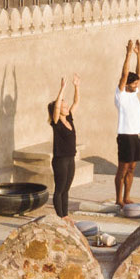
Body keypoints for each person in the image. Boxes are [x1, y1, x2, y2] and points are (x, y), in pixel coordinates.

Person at [114, 39, 140, 209]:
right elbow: (124, 74)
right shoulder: (121, 94)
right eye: (134, 83)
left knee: (132, 167)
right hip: (125, 135)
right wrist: (129, 54)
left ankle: (127, 196)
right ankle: (119, 199)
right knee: (123, 168)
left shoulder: (134, 93)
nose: (137, 85)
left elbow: (139, 73)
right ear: (128, 85)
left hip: (136, 134)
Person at [49, 74, 79, 218]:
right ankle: (60, 216)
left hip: (71, 158)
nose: (67, 108)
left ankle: (65, 216)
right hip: (60, 160)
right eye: (64, 106)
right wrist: (62, 89)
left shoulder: (69, 119)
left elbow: (76, 102)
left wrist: (76, 87)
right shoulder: (56, 123)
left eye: (66, 106)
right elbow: (56, 107)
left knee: (67, 189)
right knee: (59, 189)